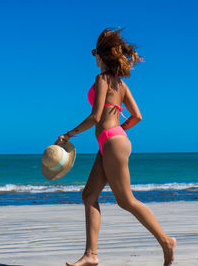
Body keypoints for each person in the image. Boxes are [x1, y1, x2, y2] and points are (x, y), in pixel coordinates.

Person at [54, 27, 176, 266]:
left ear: (101, 57)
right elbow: (137, 116)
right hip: (113, 141)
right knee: (89, 195)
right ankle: (91, 255)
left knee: (126, 200)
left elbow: (96, 117)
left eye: (95, 55)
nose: (94, 59)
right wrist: (119, 132)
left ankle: (166, 241)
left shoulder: (102, 80)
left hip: (111, 142)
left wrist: (69, 134)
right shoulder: (121, 85)